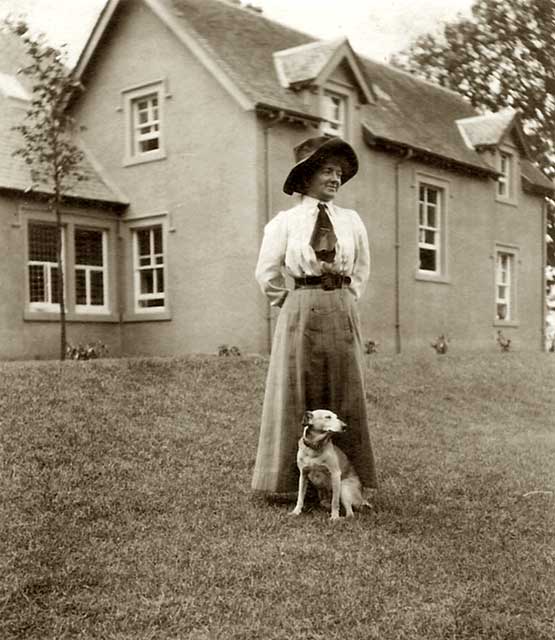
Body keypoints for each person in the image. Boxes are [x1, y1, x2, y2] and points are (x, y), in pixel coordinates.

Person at [252, 135, 377, 500]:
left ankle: (344, 486)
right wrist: (292, 304)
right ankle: (290, 485)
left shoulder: (351, 221)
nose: (335, 178)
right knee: (296, 390)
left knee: (346, 391)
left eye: (339, 172)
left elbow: (362, 270)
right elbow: (266, 272)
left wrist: (343, 299)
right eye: (327, 171)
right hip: (301, 307)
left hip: (341, 306)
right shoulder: (285, 222)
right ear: (306, 177)